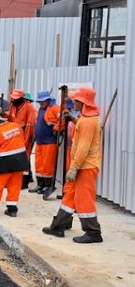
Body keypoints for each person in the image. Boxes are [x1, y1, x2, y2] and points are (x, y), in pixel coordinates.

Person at [42, 87, 103, 243]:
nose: (72, 102)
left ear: (83, 102)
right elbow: (82, 129)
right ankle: (59, 226)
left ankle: (93, 232)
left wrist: (74, 167)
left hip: (85, 166)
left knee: (84, 198)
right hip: (82, 165)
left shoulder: (88, 121)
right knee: (69, 194)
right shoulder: (85, 118)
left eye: (75, 100)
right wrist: (73, 119)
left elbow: (83, 146)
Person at [0, 114, 29, 217]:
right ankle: (12, 210)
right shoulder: (16, 126)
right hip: (20, 161)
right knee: (14, 186)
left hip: (4, 163)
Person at [29, 90, 60, 194]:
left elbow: (63, 120)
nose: (41, 103)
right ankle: (40, 184)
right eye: (39, 102)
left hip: (49, 141)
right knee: (38, 164)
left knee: (47, 165)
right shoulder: (41, 109)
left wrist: (56, 128)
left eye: (43, 101)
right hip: (40, 141)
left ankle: (47, 185)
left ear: (48, 100)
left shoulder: (54, 108)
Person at [7, 89, 36, 189]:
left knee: (24, 158)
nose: (13, 100)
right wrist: (3, 113)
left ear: (21, 99)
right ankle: (15, 180)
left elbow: (30, 125)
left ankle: (24, 181)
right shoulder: (13, 106)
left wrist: (26, 140)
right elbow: (10, 118)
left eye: (15, 99)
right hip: (14, 136)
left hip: (25, 135)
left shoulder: (29, 107)